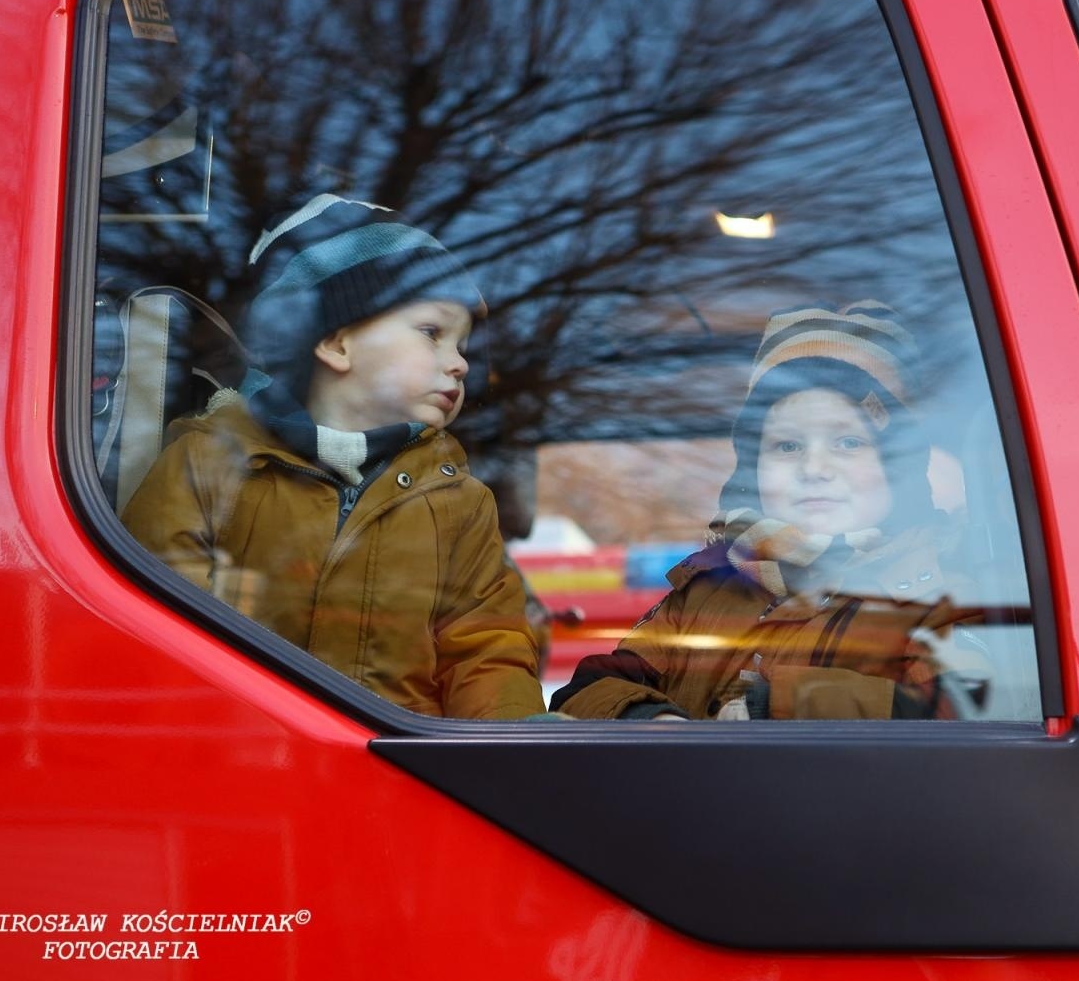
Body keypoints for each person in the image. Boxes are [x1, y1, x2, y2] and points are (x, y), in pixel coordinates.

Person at [122, 194, 544, 720]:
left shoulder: (459, 500)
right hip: (237, 754)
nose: (459, 364)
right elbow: (156, 617)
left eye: (462, 345)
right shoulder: (210, 461)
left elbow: (486, 647)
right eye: (433, 333)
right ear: (337, 343)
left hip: (398, 768)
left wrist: (501, 744)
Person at [550, 301, 978, 720]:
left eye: (848, 443)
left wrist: (776, 706)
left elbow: (960, 712)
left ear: (898, 464)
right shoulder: (708, 589)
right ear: (752, 470)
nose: (814, 469)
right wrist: (651, 720)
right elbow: (588, 690)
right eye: (786, 446)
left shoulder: (939, 590)